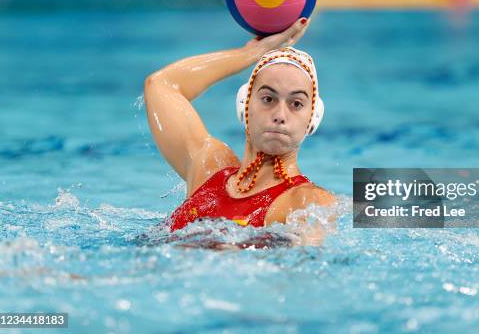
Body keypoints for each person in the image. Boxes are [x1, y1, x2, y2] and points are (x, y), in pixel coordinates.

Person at [144, 18, 337, 247]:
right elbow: (160, 84)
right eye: (268, 99)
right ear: (245, 106)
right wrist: (253, 52)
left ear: (312, 120)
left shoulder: (306, 200)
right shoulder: (208, 168)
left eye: (296, 104)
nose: (280, 115)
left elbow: (305, 264)